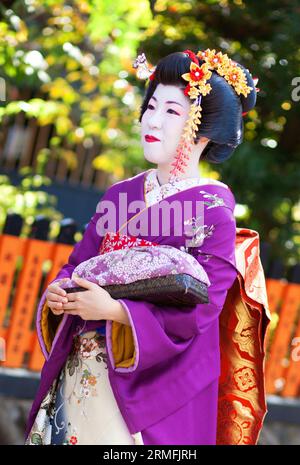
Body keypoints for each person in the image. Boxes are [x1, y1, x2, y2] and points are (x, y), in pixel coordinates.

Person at [25, 49, 270, 445]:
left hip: (154, 384)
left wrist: (117, 310)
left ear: (202, 129)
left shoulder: (213, 212)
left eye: (172, 111)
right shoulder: (121, 194)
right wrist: (59, 292)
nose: (151, 120)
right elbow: (78, 264)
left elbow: (201, 309)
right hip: (84, 368)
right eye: (151, 105)